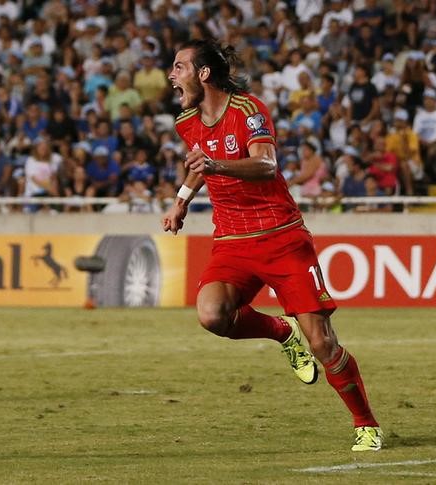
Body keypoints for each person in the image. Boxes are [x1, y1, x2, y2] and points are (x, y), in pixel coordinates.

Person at [161, 39, 382, 451]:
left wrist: (215, 165)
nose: (172, 75)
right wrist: (181, 201)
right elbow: (199, 162)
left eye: (179, 67)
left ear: (203, 73)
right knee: (212, 316)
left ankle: (365, 423)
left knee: (323, 342)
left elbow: (266, 166)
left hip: (280, 236)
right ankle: (282, 332)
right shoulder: (186, 119)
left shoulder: (248, 110)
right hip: (231, 240)